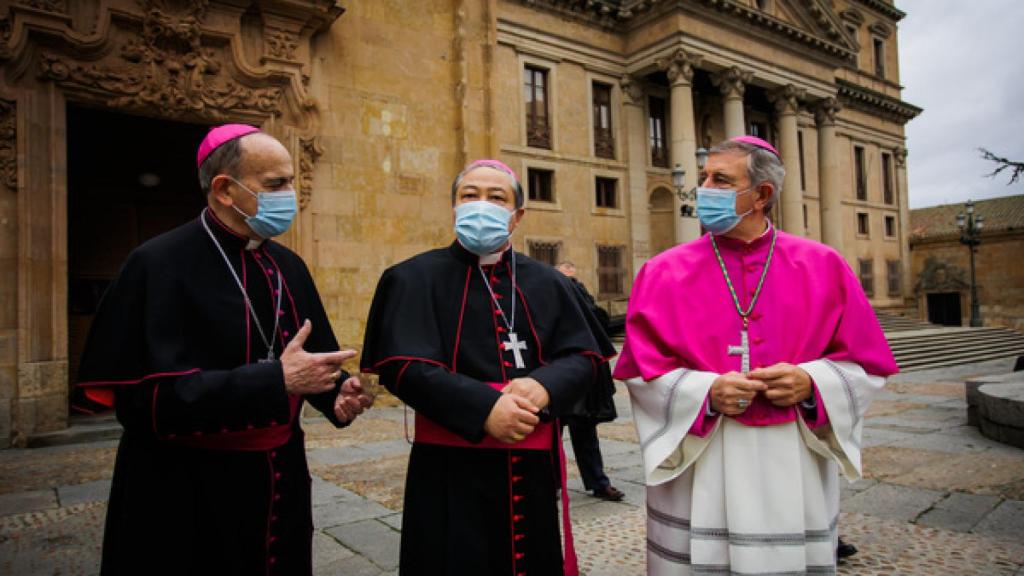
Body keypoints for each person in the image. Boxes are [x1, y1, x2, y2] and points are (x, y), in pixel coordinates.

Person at [74, 124, 374, 576]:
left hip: (280, 478)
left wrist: (337, 396)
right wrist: (275, 380)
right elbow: (144, 403)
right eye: (276, 184)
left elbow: (311, 362)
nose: (291, 194)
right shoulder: (157, 263)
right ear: (224, 189)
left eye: (291, 180)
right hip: (184, 488)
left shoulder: (288, 265)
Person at [613, 136, 898, 575]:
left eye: (720, 179)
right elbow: (639, 369)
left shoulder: (823, 265)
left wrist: (811, 382)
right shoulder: (663, 271)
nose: (703, 188)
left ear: (762, 195)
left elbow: (867, 364)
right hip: (701, 455)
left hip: (792, 454)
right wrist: (706, 391)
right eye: (704, 177)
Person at [361, 159, 615, 576]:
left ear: (516, 216)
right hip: (447, 468)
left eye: (496, 198)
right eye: (469, 195)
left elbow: (584, 357)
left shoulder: (550, 283)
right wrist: (484, 408)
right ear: (454, 208)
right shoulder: (411, 278)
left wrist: (544, 386)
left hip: (530, 467)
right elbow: (402, 367)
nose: (481, 205)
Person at [555, 261, 625, 502]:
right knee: (553, 435)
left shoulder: (585, 301)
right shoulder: (548, 300)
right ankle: (552, 483)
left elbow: (601, 324)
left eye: (572, 280)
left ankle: (598, 482)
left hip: (584, 379)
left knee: (586, 433)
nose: (570, 284)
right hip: (556, 378)